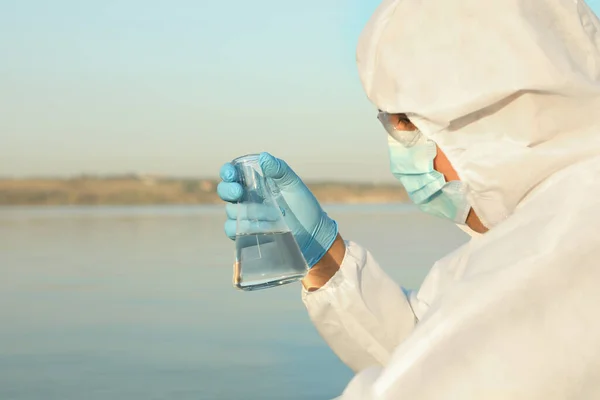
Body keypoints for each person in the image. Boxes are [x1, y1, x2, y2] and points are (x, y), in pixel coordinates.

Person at [217, 0, 600, 398]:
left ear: (492, 114)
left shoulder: (557, 259)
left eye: (405, 123)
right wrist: (326, 260)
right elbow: (424, 353)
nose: (399, 151)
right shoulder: (529, 241)